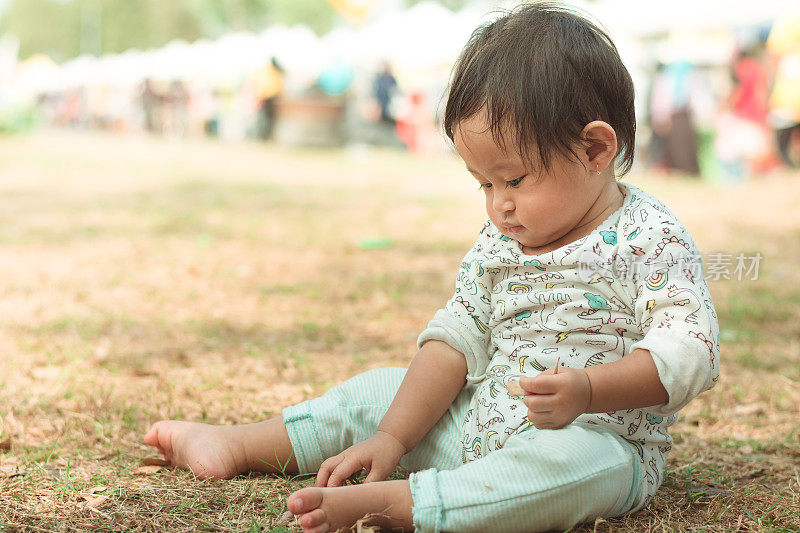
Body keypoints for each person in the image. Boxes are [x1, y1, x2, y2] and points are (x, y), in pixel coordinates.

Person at [143, 4, 720, 532]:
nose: (499, 204)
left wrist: (589, 389)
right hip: (476, 426)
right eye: (484, 184)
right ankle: (240, 444)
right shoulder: (502, 239)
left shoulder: (650, 237)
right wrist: (393, 435)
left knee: (573, 469)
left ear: (595, 150)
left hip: (594, 441)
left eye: (513, 179)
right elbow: (457, 334)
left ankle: (408, 504)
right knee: (381, 390)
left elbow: (689, 350)